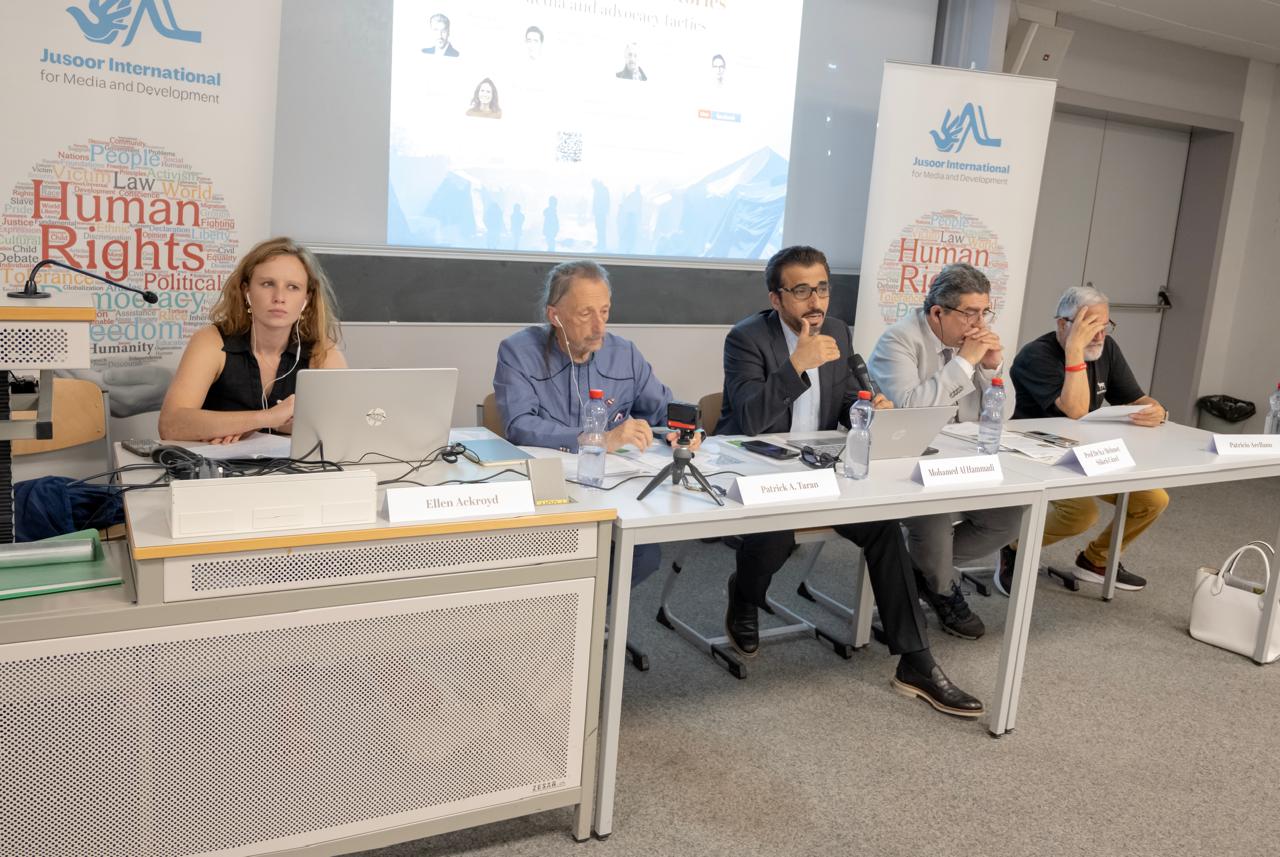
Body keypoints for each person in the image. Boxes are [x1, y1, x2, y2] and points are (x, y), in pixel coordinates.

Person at [717, 245, 983, 718]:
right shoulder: (746, 338)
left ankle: (916, 661)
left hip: (818, 465)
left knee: (884, 527)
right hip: (758, 466)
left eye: (821, 288)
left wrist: (865, 407)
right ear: (776, 298)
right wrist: (796, 365)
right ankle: (745, 594)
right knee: (775, 535)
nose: (815, 301)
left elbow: (841, 402)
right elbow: (751, 421)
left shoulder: (838, 330)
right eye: (801, 290)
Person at [493, 259, 699, 581]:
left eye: (604, 312)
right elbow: (519, 425)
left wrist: (685, 432)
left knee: (643, 555)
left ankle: (588, 612)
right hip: (547, 494)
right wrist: (598, 440)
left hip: (611, 493)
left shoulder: (624, 354)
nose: (599, 327)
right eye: (585, 314)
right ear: (555, 316)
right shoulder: (518, 352)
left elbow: (664, 411)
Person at [867, 262, 1021, 636]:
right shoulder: (897, 341)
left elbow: (1003, 416)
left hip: (959, 461)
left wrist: (991, 369)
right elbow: (908, 411)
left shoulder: (974, 349)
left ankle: (917, 570)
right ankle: (942, 587)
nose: (979, 324)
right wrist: (965, 362)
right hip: (905, 464)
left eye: (984, 312)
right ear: (938, 312)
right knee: (934, 522)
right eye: (970, 313)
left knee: (1007, 517)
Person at [1009, 284, 1170, 592]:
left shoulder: (1106, 348)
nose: (1099, 335)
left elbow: (1135, 398)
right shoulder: (1035, 355)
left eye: (1105, 326)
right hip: (1035, 453)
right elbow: (1076, 410)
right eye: (1090, 326)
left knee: (1152, 500)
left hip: (1084, 451)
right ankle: (1012, 547)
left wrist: (1157, 410)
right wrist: (1074, 349)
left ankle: (1096, 560)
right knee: (1080, 515)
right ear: (1063, 324)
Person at [158, 237, 346, 443]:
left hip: (290, 464)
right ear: (246, 290)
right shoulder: (211, 341)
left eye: (293, 287)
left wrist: (255, 425)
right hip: (214, 462)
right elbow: (170, 425)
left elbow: (344, 423)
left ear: (306, 299)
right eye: (267, 284)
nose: (279, 297)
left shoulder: (322, 350)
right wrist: (267, 418)